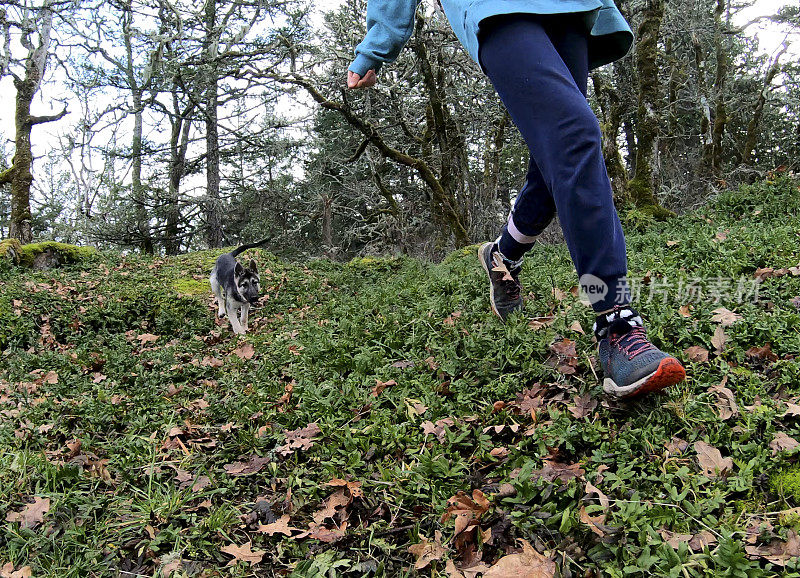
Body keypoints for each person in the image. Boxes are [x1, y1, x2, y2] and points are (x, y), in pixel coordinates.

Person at [347, 0, 686, 398]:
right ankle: (615, 322)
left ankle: (502, 255)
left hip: (570, 7)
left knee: (555, 158)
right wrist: (378, 42)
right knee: (574, 135)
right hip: (497, 8)